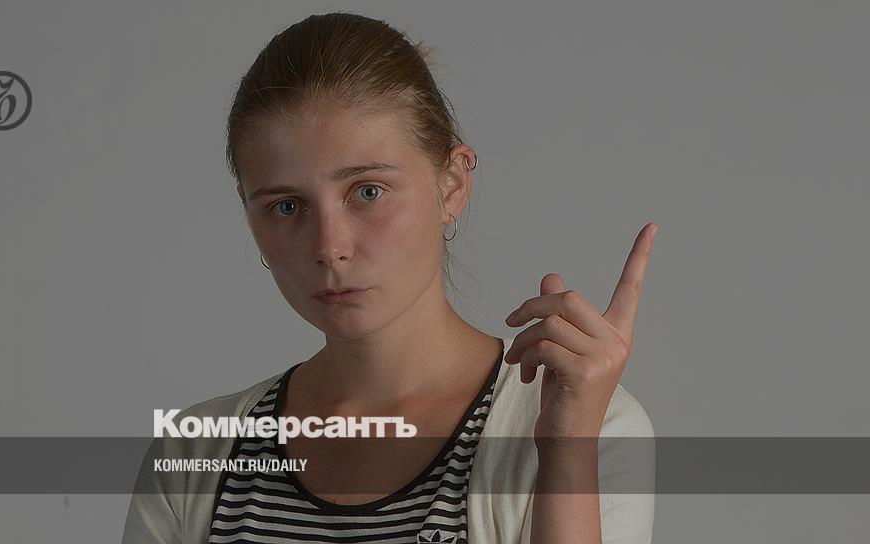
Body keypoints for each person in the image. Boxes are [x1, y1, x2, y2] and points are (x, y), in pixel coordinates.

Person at [122, 11, 656, 544]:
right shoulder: (192, 458)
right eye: (286, 206)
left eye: (368, 191)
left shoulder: (585, 424)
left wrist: (565, 453)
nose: (329, 246)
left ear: (451, 185)